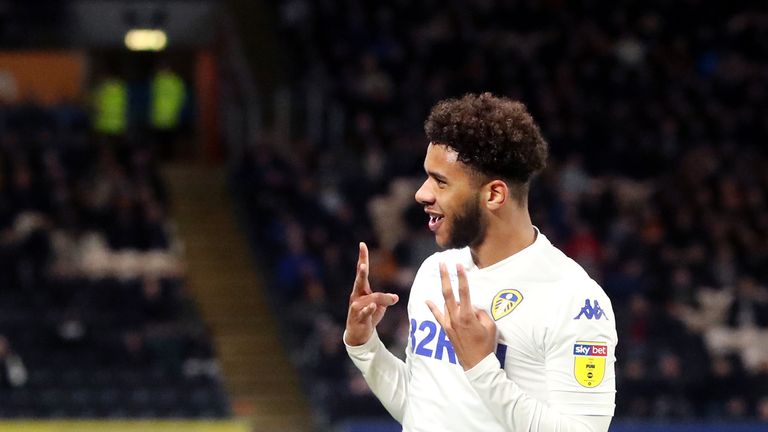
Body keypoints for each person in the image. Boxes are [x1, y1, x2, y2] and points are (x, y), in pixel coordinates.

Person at [344, 93, 617, 431]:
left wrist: (482, 368)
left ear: (494, 194)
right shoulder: (435, 274)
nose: (422, 194)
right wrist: (366, 347)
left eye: (440, 181)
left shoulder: (573, 298)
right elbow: (423, 410)